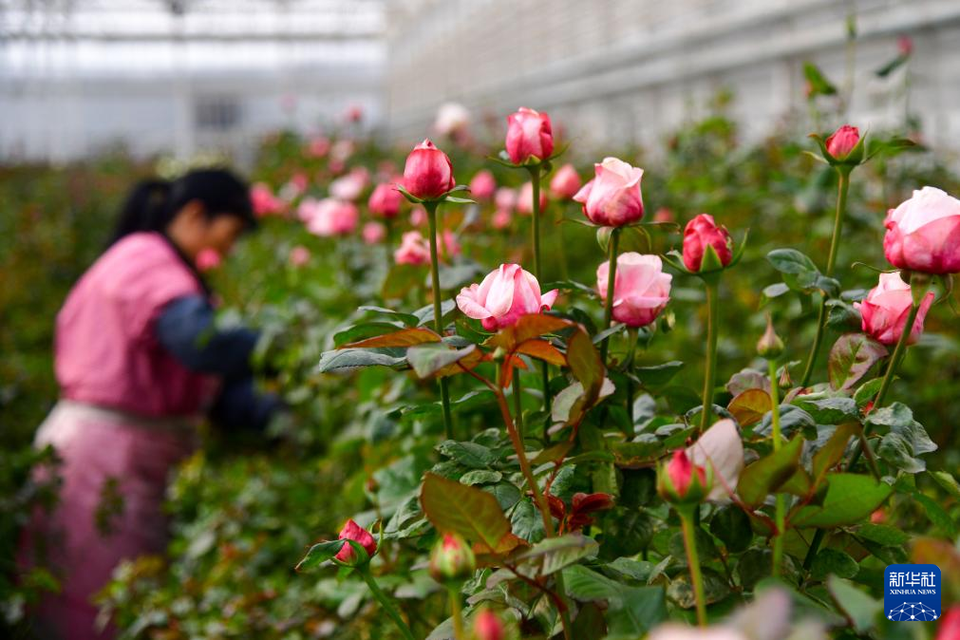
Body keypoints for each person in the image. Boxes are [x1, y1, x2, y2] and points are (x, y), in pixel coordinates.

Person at [18, 168, 282, 639]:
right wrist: (284, 344)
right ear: (196, 213)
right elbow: (200, 343)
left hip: (126, 453)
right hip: (101, 460)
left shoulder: (165, 267)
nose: (229, 248)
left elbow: (204, 384)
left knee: (122, 592)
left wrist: (276, 413)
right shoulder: (145, 259)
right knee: (99, 600)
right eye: (232, 232)